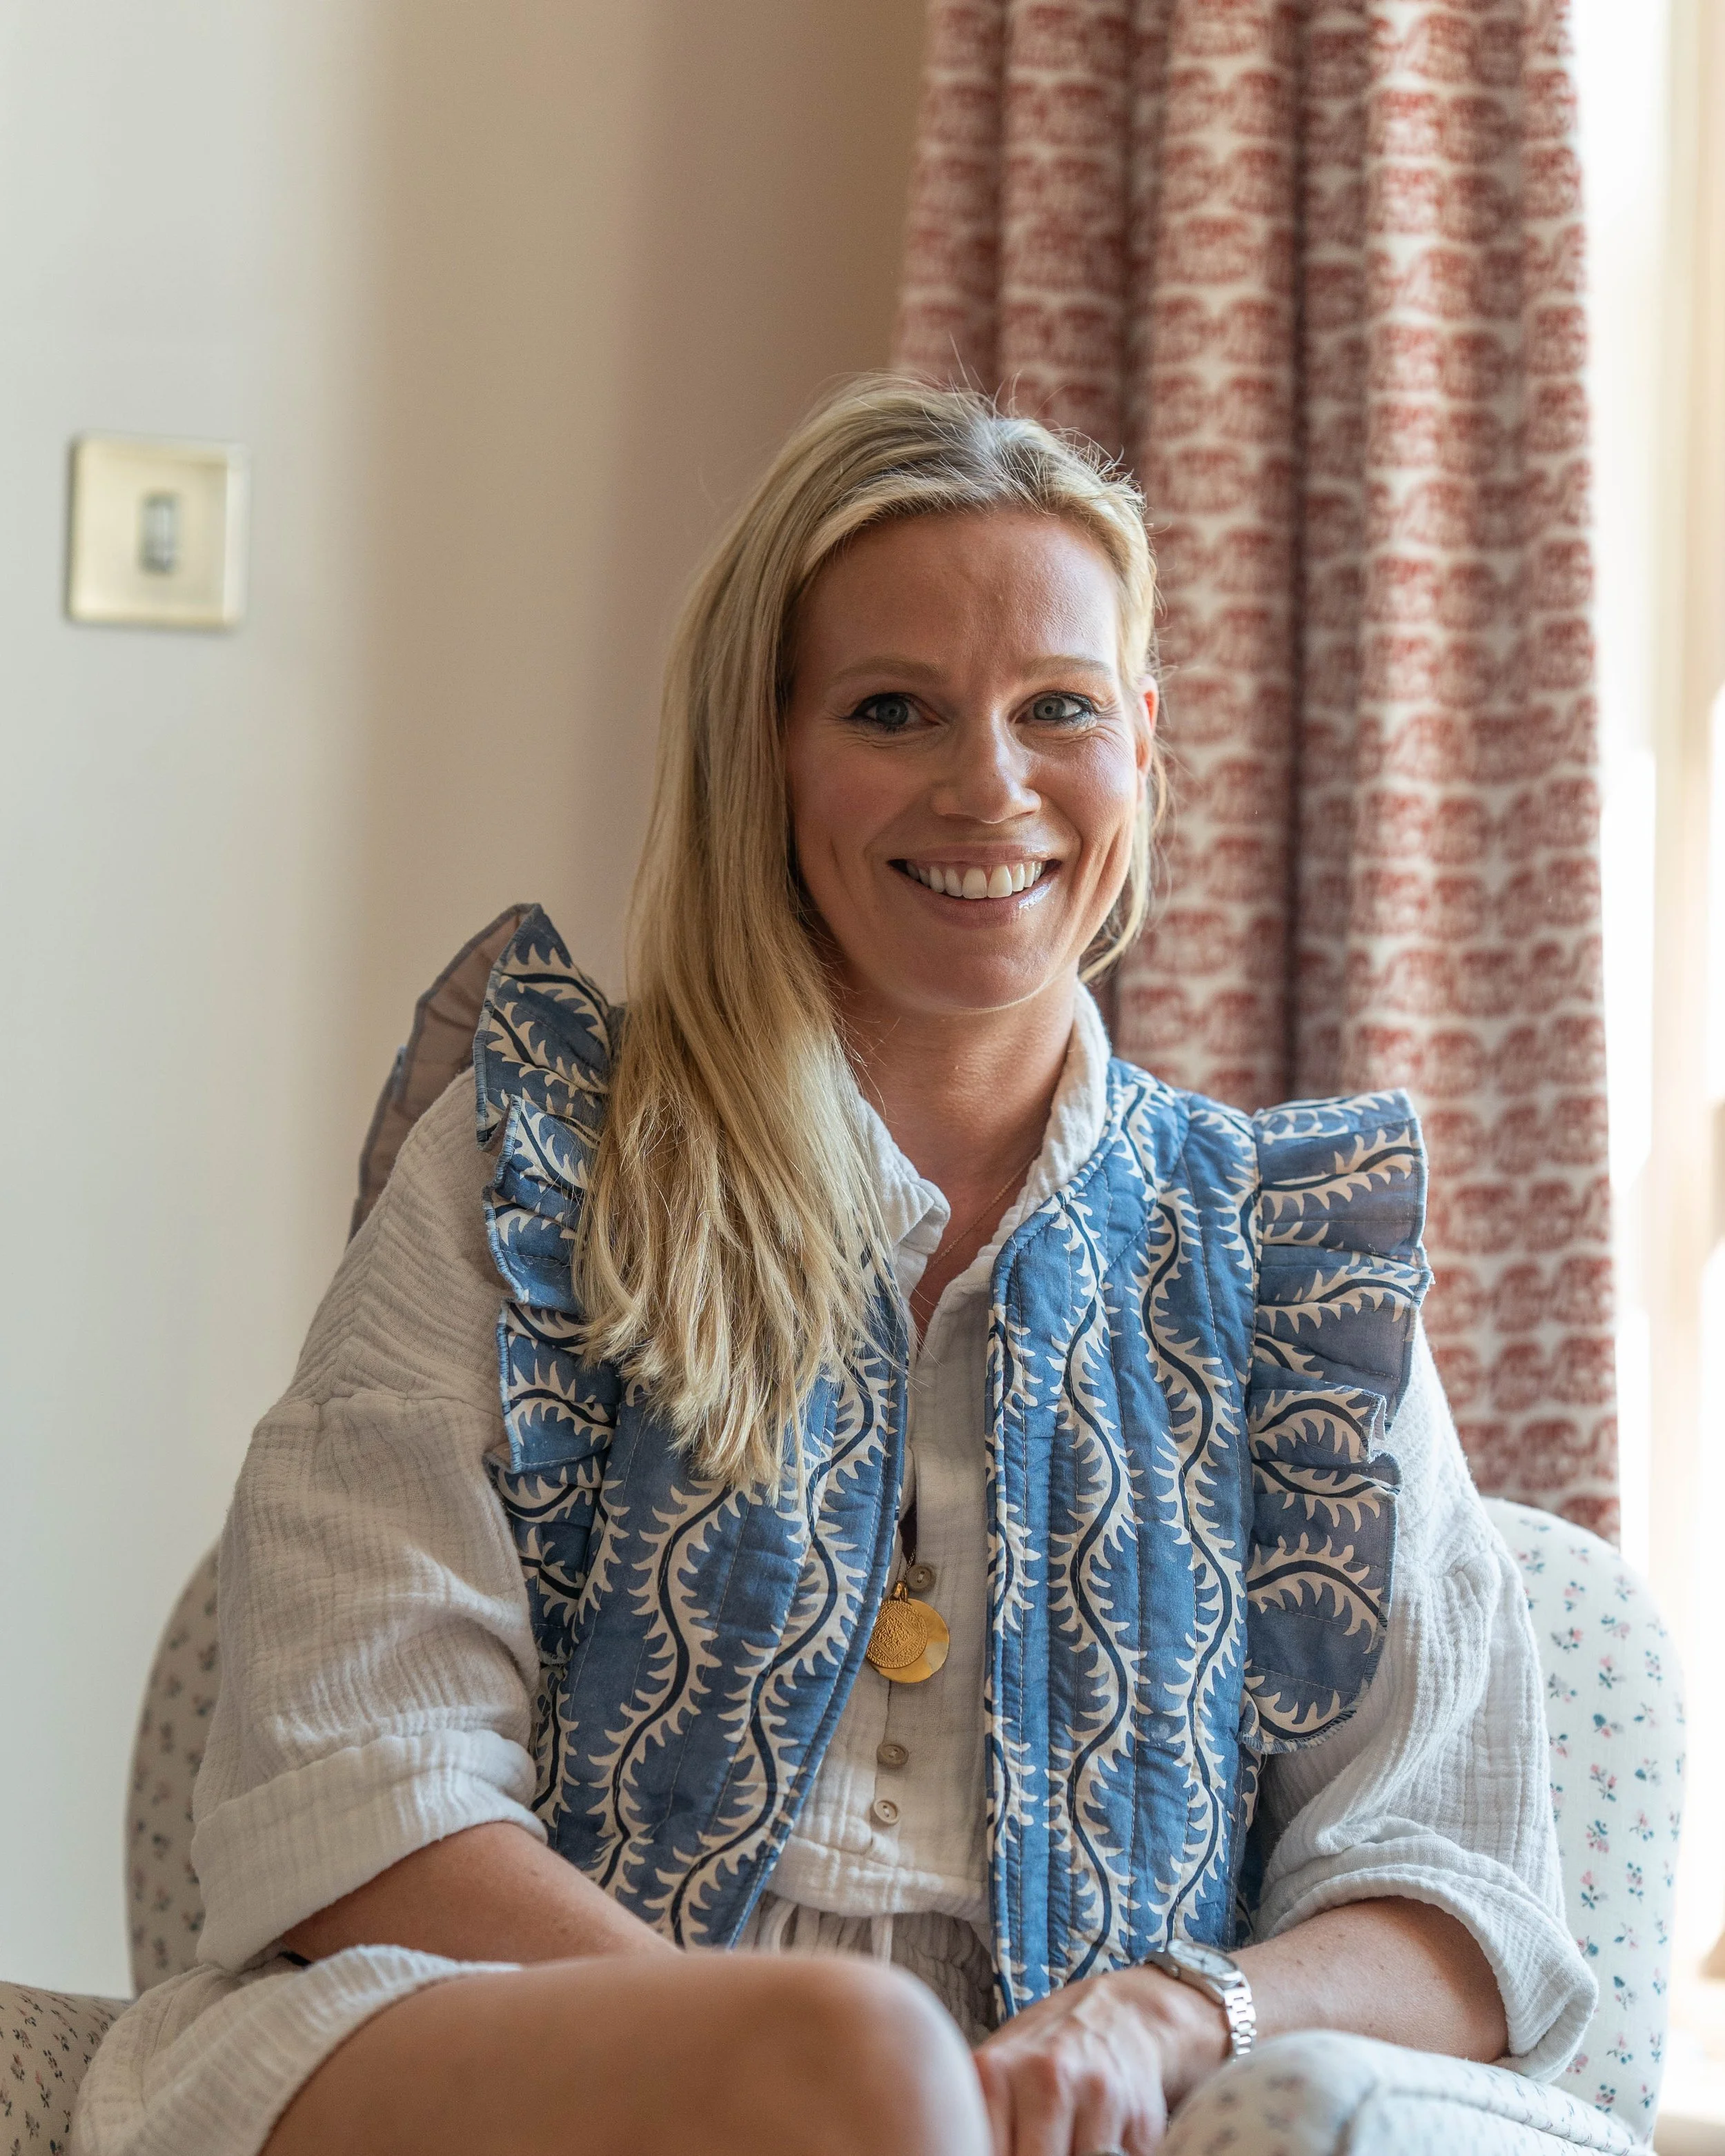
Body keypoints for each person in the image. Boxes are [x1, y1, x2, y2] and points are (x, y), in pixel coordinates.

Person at [74, 379, 1618, 2156]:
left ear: (1142, 742)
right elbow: (362, 1787)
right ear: (767, 749)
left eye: (1060, 709)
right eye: (894, 710)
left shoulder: (1282, 1265)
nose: (990, 785)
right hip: (536, 2072)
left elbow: (1458, 1893)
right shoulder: (535, 1160)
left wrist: (1171, 2012)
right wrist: (777, 2075)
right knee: (858, 2062)